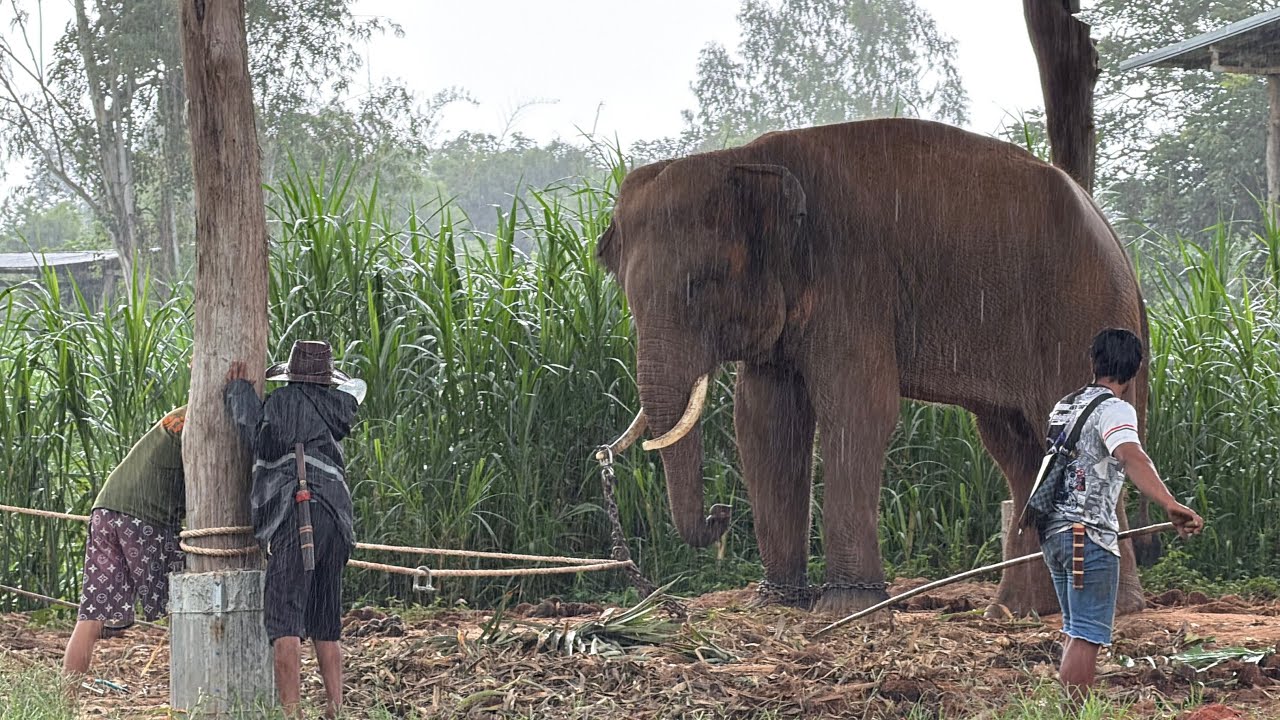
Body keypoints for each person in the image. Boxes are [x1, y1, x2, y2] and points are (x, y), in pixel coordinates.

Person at [1040, 328, 1204, 699]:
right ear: (1134, 373)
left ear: (1093, 361)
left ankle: (1066, 707)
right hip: (1088, 535)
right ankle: (1072, 712)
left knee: (1074, 626)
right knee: (1087, 633)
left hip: (1054, 532)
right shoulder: (1115, 410)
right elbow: (1131, 456)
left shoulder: (1065, 405)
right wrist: (1170, 503)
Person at [224, 340, 361, 719]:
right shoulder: (337, 409)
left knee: (285, 617)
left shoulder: (286, 401)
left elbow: (259, 436)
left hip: (298, 512)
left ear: (293, 374)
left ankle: (292, 714)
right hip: (336, 518)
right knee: (325, 618)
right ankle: (335, 710)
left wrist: (238, 393)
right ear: (327, 378)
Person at [63, 406, 187, 678]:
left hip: (106, 510)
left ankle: (65, 707)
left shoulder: (181, 415)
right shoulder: (207, 420)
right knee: (192, 592)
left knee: (91, 617)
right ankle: (196, 695)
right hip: (146, 518)